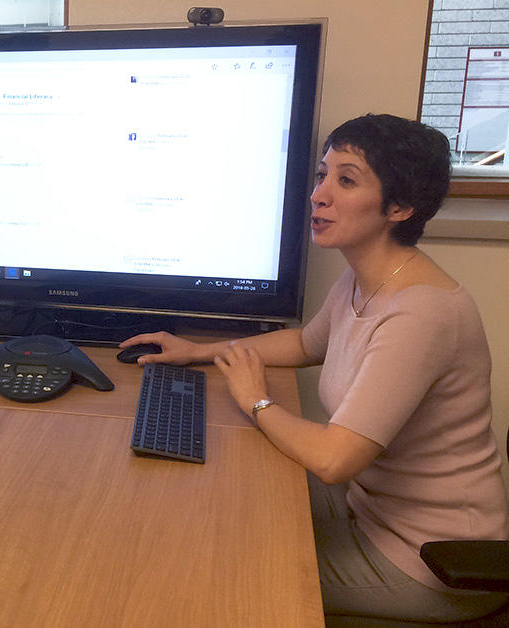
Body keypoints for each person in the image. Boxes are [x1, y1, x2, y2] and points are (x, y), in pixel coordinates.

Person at [121, 114, 509, 623]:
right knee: (222, 503)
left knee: (218, 572)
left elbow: (333, 459)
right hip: (368, 506)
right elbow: (306, 342)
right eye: (323, 175)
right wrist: (200, 350)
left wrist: (256, 401)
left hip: (428, 558)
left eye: (346, 181)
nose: (318, 195)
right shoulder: (364, 279)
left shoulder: (422, 314)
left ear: (399, 207)